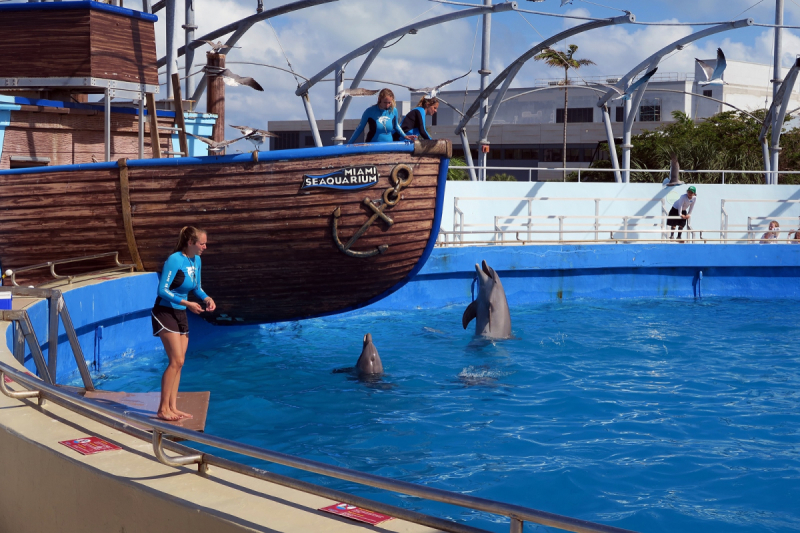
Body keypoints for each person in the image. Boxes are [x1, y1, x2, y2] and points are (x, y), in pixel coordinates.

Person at [151, 226, 216, 421]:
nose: (205, 246)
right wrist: (187, 303)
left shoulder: (196, 260)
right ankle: (163, 409)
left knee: (180, 363)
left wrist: (206, 298)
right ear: (190, 242)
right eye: (202, 243)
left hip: (180, 314)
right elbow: (162, 290)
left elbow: (197, 287)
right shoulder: (175, 259)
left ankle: (173, 407)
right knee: (176, 361)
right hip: (165, 311)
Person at [347, 88, 416, 144]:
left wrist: (405, 136)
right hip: (372, 146)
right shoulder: (369, 111)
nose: (387, 105)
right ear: (379, 99)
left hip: (389, 145)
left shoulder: (393, 110)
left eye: (389, 103)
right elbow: (360, 128)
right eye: (385, 102)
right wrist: (349, 143)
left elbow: (396, 126)